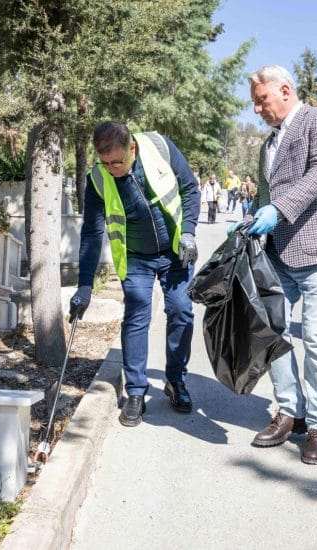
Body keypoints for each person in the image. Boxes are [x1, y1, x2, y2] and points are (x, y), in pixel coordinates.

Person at [232, 65, 317, 464]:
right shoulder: (267, 145)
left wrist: (278, 209)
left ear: (285, 90)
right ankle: (290, 412)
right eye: (254, 103)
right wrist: (252, 218)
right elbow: (265, 194)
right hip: (279, 254)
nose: (257, 109)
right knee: (271, 332)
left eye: (261, 100)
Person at [70, 122, 201, 427]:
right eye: (105, 163)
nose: (112, 169)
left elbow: (190, 189)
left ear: (132, 148)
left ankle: (176, 380)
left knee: (181, 311)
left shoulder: (160, 147)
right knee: (136, 317)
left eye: (117, 162)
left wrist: (189, 232)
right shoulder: (98, 177)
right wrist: (85, 285)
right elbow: (92, 232)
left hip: (176, 251)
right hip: (135, 258)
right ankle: (136, 392)